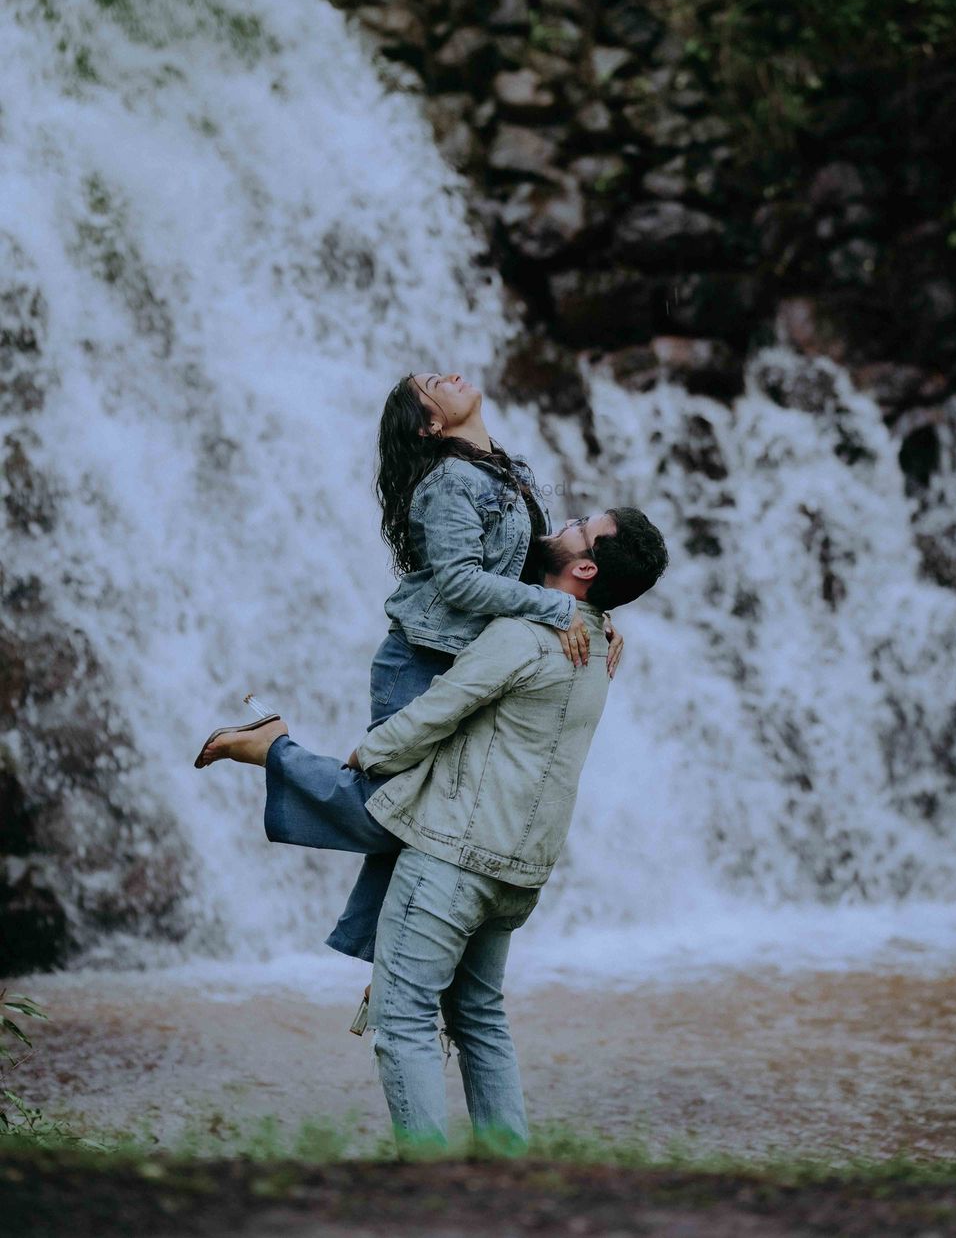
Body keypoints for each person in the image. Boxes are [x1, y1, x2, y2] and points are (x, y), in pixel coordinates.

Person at [195, 506, 668, 1154]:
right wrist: (604, 614)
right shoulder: (596, 647)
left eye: (580, 526)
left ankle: (430, 1188)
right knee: (478, 1018)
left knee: (403, 1017)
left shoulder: (524, 634)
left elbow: (440, 710)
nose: (565, 522)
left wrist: (370, 754)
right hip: (519, 873)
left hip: (456, 859)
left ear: (584, 566)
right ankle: (510, 1177)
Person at [196, 371, 623, 967]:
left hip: (473, 668)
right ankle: (272, 749)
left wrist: (593, 616)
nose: (447, 375)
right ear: (431, 424)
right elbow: (459, 580)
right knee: (389, 813)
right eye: (431, 386)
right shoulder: (450, 480)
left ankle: (388, 958)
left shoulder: (512, 474)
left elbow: (536, 568)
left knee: (424, 822)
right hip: (421, 659)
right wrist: (558, 606)